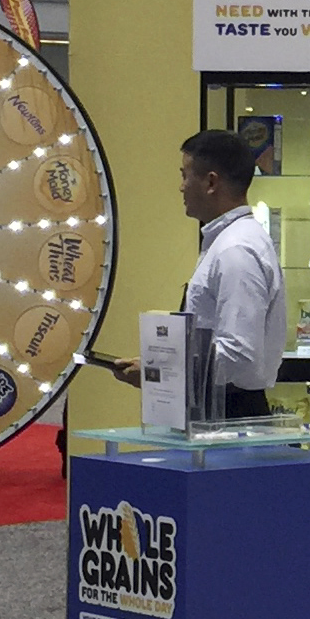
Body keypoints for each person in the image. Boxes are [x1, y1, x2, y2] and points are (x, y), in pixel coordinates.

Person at [104, 129, 286, 420]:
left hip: (228, 413)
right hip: (217, 407)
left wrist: (162, 372)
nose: (181, 187)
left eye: (185, 175)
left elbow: (239, 356)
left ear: (211, 182)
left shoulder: (235, 250)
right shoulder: (228, 242)